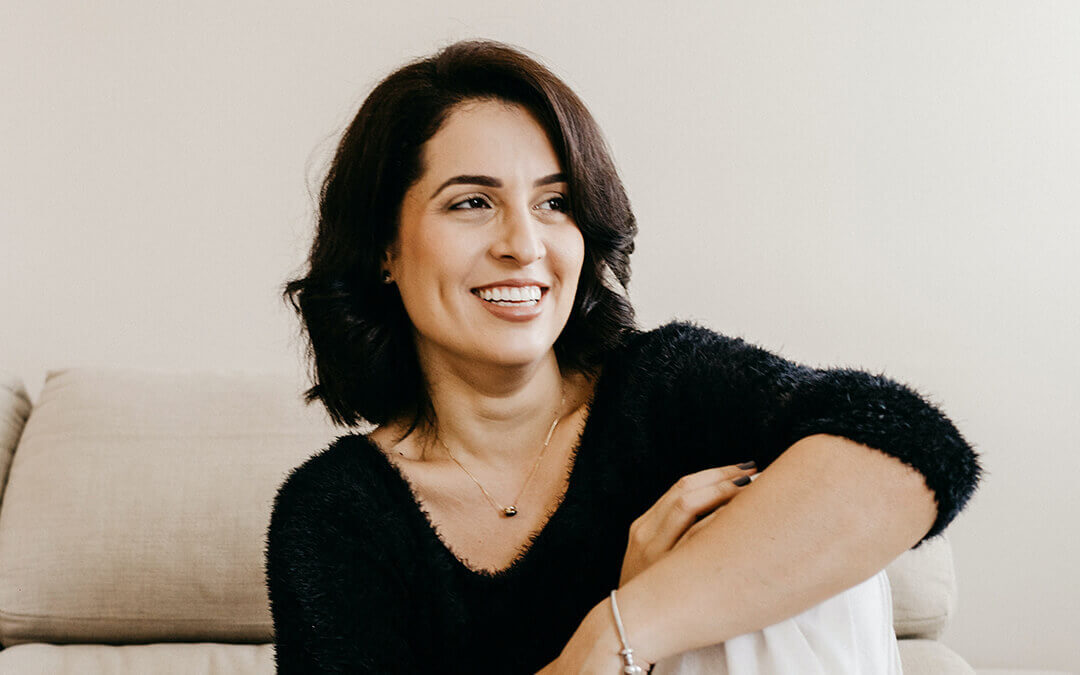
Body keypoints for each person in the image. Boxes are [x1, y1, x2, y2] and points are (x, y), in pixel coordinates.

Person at [264, 39, 980, 674]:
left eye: (555, 202)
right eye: (472, 203)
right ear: (385, 248)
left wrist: (630, 623)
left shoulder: (665, 388)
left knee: (804, 546)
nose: (524, 244)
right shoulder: (337, 516)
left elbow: (915, 450)